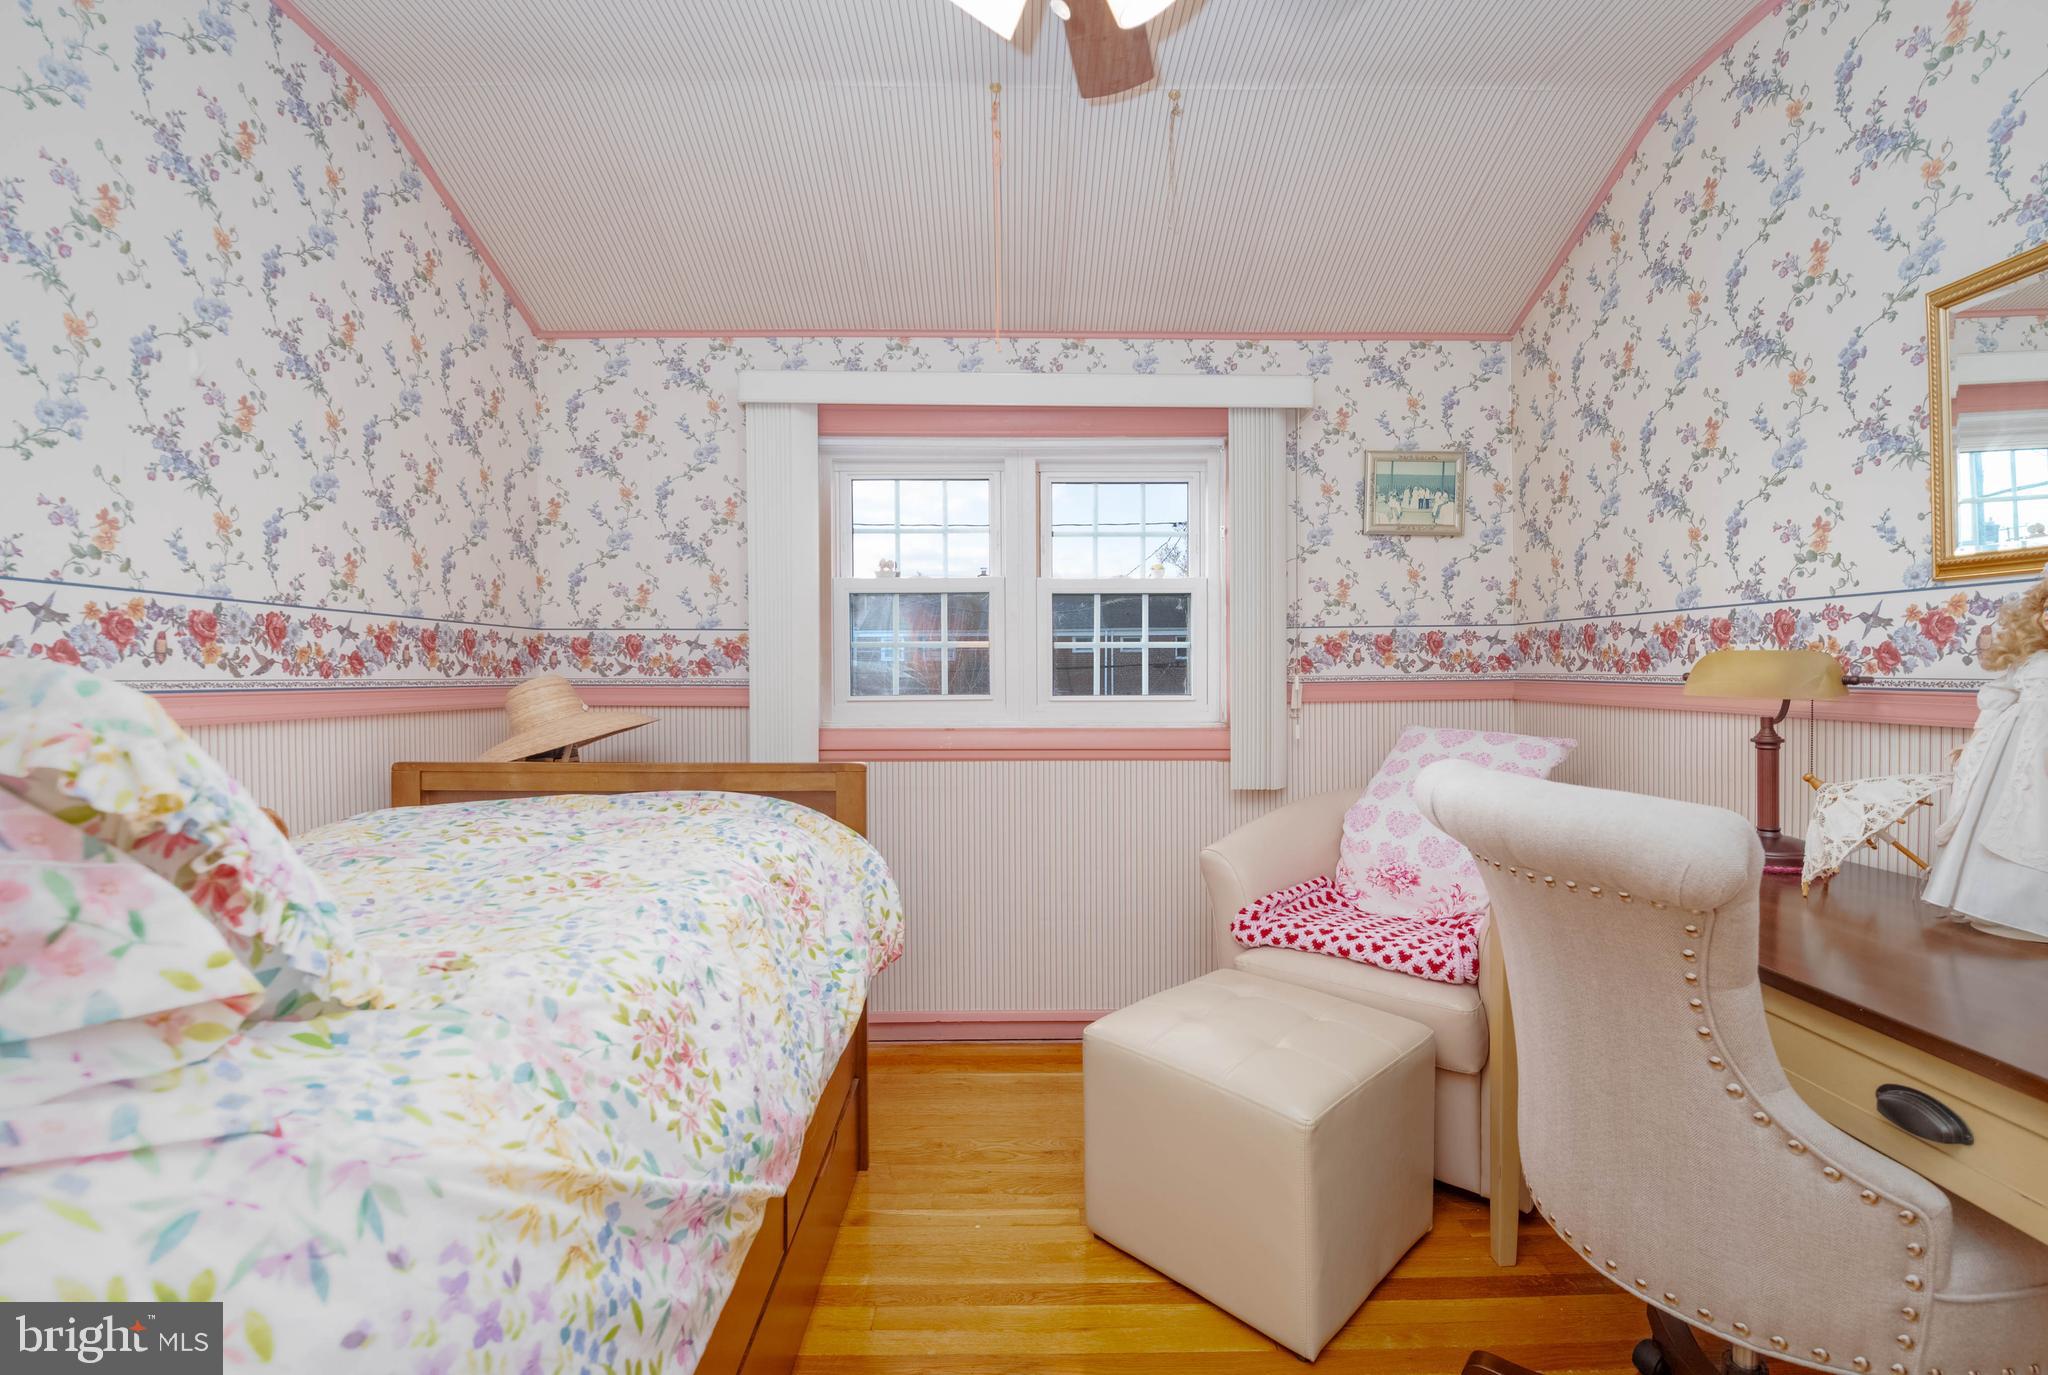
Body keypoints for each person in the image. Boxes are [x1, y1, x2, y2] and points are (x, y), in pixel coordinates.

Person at [1922, 573, 2048, 940]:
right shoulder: (2029, 658)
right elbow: (1998, 699)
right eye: (2045, 608)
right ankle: (1994, 904)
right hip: (2014, 745)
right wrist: (1975, 741)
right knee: (1999, 809)